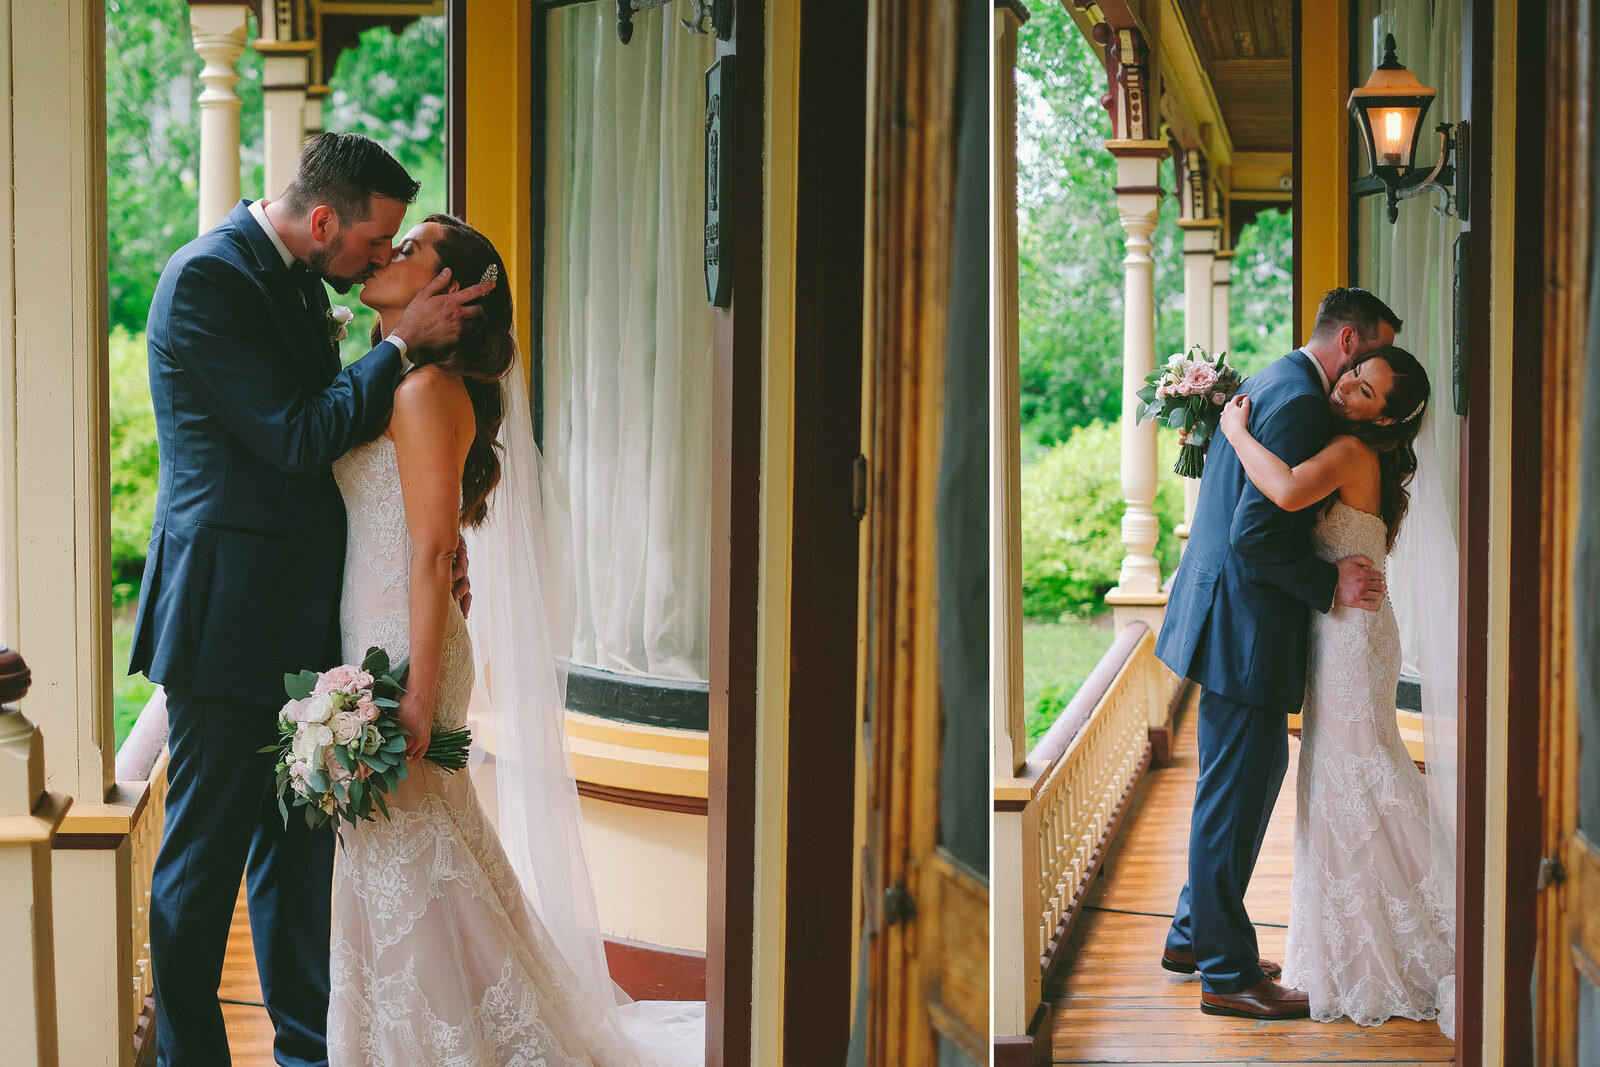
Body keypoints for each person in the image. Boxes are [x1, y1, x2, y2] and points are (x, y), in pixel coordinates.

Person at [133, 132, 493, 1067]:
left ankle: (307, 1055)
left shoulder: (300, 280)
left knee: (294, 878)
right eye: (376, 245)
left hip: (309, 634)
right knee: (198, 878)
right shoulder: (208, 279)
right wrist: (404, 344)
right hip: (223, 625)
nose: (382, 259)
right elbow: (298, 438)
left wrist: (434, 542)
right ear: (324, 220)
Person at [329, 213, 703, 1065]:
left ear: (451, 292)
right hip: (376, 633)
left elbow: (429, 549)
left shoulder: (425, 393)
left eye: (412, 248)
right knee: (410, 848)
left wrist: (420, 692)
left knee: (408, 847)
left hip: (404, 649)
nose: (389, 253)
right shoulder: (393, 380)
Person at [1153, 287, 1398, 1020]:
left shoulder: (1275, 379)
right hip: (1246, 625)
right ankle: (1226, 974)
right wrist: (1331, 582)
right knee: (1236, 792)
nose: (1373, 366)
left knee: (1240, 783)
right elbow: (1256, 535)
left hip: (1231, 617)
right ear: (1351, 341)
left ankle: (1194, 936)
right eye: (1377, 351)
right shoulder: (1297, 402)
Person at [1219, 344, 1455, 1036]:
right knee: (1349, 777)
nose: (1349, 388)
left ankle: (1431, 929)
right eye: (1355, 376)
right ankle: (1356, 942)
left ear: (1384, 420)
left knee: (1358, 777)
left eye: (1366, 391)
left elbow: (1288, 491)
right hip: (1351, 629)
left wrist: (1233, 432)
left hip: (1352, 639)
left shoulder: (1352, 452)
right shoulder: (1355, 447)